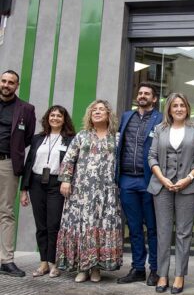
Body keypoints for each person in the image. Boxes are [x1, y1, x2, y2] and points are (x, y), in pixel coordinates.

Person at [56, 100, 123, 283]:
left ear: (109, 114)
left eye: (102, 109)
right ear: (89, 115)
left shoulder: (117, 138)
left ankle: (96, 269)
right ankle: (82, 268)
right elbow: (69, 159)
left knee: (101, 227)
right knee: (83, 227)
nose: (98, 112)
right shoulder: (82, 136)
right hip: (81, 191)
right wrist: (66, 181)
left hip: (107, 192)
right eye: (94, 109)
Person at [148, 93, 194, 294]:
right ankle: (162, 274)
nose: (179, 109)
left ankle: (180, 274)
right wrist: (163, 179)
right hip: (161, 186)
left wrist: (188, 178)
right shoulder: (159, 129)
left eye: (182, 105)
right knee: (163, 232)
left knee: (184, 232)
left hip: (188, 187)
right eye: (175, 106)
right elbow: (152, 157)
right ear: (169, 109)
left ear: (187, 108)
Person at [20, 105, 75, 278]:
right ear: (47, 118)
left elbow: (73, 164)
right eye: (52, 115)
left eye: (59, 116)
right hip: (37, 182)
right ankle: (43, 262)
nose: (55, 118)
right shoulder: (38, 138)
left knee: (53, 225)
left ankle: (54, 263)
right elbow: (29, 164)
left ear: (64, 119)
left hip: (56, 184)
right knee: (41, 225)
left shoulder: (70, 139)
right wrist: (24, 190)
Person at [116, 83, 163, 286]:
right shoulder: (127, 116)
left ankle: (155, 269)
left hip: (149, 179)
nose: (142, 96)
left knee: (152, 227)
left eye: (147, 94)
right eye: (140, 93)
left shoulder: (161, 119)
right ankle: (137, 268)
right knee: (133, 227)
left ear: (154, 99)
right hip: (127, 179)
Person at [0, 70, 36, 277]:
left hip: (7, 163)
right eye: (3, 81)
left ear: (17, 85)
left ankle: (6, 260)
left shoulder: (26, 109)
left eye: (10, 82)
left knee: (6, 212)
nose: (6, 85)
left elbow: (28, 137)